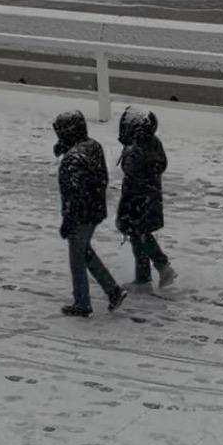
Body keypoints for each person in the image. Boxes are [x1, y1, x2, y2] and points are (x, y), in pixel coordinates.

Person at [52, 110, 127, 316]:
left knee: (77, 258)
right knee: (84, 252)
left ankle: (83, 302)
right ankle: (112, 291)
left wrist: (68, 221)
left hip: (80, 215)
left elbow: (73, 197)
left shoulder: (72, 160)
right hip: (94, 210)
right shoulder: (93, 146)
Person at [116, 107, 177, 291]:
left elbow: (131, 171)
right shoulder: (151, 144)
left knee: (141, 237)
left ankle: (160, 268)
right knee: (139, 237)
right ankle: (145, 276)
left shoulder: (138, 150)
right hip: (147, 200)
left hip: (138, 201)